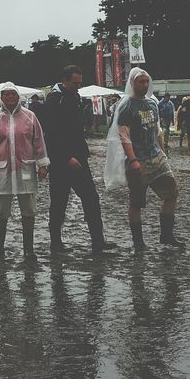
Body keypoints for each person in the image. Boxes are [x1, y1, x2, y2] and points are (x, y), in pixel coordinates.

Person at [104, 68, 185, 249]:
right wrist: (133, 160)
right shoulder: (126, 107)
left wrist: (163, 153)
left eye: (147, 81)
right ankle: (138, 242)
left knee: (171, 193)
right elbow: (124, 136)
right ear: (132, 83)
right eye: (141, 82)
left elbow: (157, 132)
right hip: (138, 160)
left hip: (156, 158)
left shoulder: (152, 104)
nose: (145, 85)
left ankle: (166, 235)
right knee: (137, 202)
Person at [41, 66, 117, 255]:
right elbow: (51, 134)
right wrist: (66, 157)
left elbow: (76, 130)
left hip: (80, 159)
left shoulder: (75, 97)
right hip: (60, 163)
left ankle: (98, 241)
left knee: (92, 200)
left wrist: (82, 152)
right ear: (64, 80)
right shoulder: (53, 100)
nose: (78, 86)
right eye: (75, 83)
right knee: (59, 203)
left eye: (79, 83)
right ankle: (56, 243)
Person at [0, 83, 49, 262]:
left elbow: (38, 141)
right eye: (6, 95)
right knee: (0, 211)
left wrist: (42, 164)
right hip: (2, 171)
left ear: (18, 97)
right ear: (1, 97)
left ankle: (28, 250)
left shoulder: (30, 117)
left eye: (13, 95)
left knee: (29, 210)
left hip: (25, 168)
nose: (10, 98)